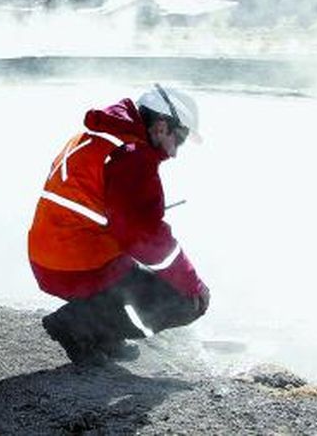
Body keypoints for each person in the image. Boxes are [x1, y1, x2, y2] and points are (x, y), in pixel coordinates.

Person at [28, 84, 210, 365]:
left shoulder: (99, 138)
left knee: (134, 270)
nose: (175, 152)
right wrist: (192, 283)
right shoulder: (133, 155)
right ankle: (78, 325)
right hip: (75, 266)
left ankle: (103, 335)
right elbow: (143, 237)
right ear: (162, 126)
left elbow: (106, 212)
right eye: (180, 139)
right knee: (185, 301)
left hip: (51, 258)